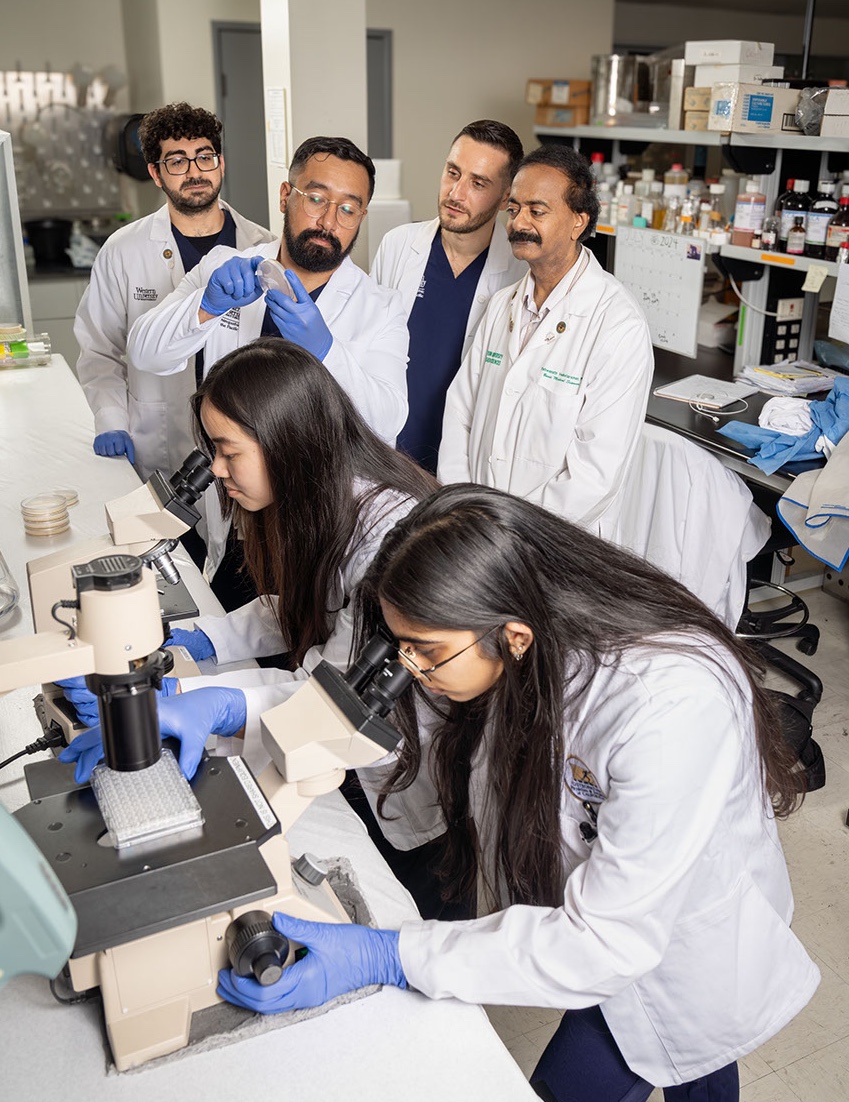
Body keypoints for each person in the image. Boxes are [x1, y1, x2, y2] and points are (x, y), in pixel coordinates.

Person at [199, 484, 816, 1102]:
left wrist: (387, 956)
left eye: (426, 653)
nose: (411, 669)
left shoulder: (666, 705)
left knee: (670, 1057)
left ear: (513, 635)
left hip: (678, 944)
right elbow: (357, 716)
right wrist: (232, 709)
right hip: (603, 915)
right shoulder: (497, 639)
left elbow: (603, 943)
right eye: (402, 647)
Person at [60, 337, 455, 918]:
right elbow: (301, 606)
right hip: (366, 753)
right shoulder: (320, 496)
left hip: (418, 782)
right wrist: (201, 640)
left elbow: (340, 698)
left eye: (226, 451)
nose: (216, 471)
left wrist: (205, 702)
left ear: (285, 440)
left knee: (402, 916)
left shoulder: (385, 541)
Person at [127, 135, 410, 607]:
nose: (328, 219)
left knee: (300, 648)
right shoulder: (225, 266)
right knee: (226, 628)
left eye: (348, 208)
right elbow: (146, 352)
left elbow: (385, 424)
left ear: (362, 217)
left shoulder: (379, 308)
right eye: (316, 198)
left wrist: (325, 352)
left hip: (315, 525)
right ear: (286, 195)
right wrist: (205, 306)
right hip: (233, 515)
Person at [438, 144, 654, 530]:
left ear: (578, 221)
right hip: (477, 526)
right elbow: (460, 411)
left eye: (537, 211)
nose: (519, 223)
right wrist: (461, 510)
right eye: (514, 209)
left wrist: (514, 532)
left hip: (557, 542)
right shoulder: (503, 305)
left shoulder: (617, 324)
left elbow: (595, 474)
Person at [75, 102, 274, 485]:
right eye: (177, 161)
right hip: (158, 439)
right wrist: (111, 419)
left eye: (205, 157)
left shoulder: (261, 246)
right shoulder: (123, 250)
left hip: (244, 439)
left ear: (221, 162)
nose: (195, 172)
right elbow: (100, 350)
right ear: (156, 173)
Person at [371, 120, 526, 472]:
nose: (456, 193)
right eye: (452, 173)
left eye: (478, 183)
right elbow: (367, 352)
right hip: (387, 457)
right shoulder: (398, 246)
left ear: (505, 198)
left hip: (463, 468)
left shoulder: (520, 276)